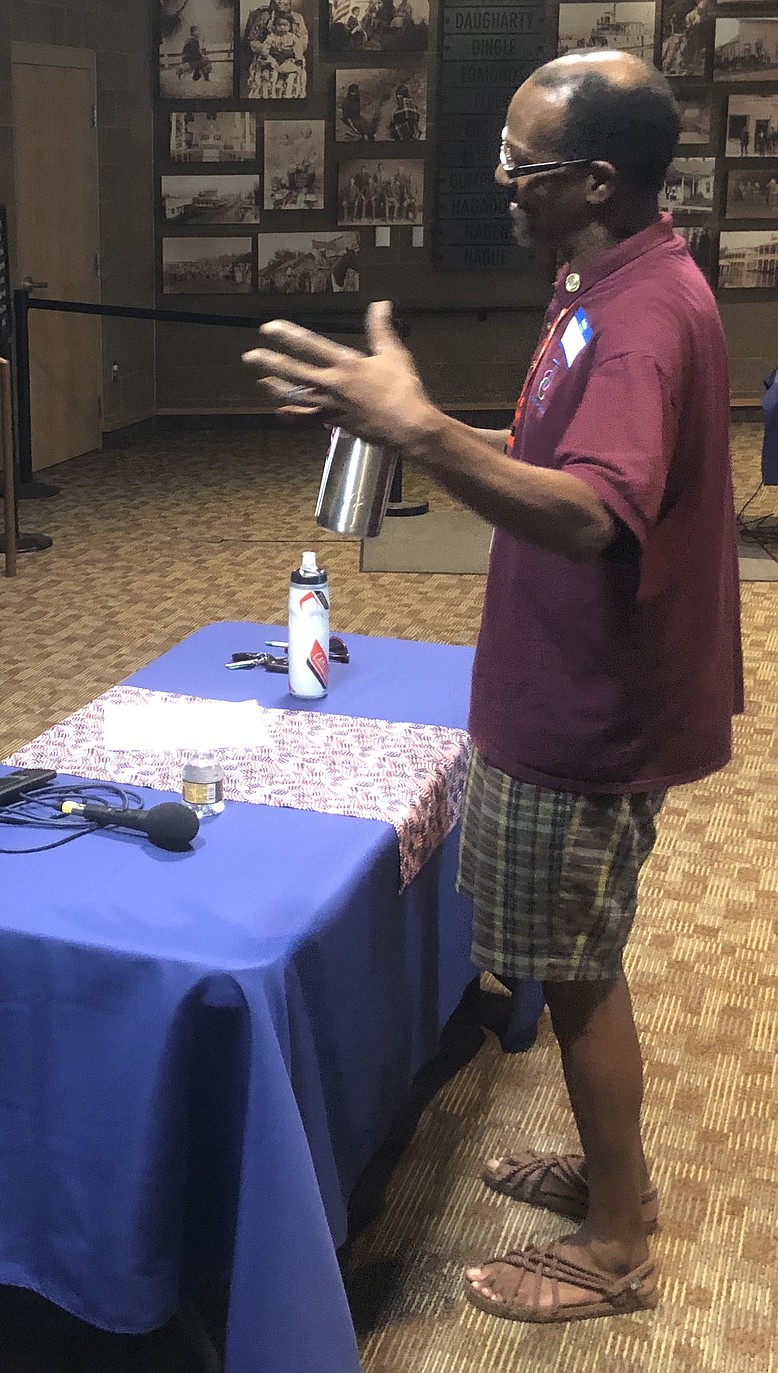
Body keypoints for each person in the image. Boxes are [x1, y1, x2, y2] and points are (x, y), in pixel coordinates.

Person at [244, 49, 742, 1323]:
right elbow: (554, 448)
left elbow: (587, 513)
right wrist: (403, 417)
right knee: (587, 953)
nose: (499, 182)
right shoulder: (604, 274)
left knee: (577, 970)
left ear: (592, 179)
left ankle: (620, 1241)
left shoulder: (638, 317)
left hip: (590, 705)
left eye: (520, 164)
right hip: (573, 679)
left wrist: (416, 430)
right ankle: (610, 1168)